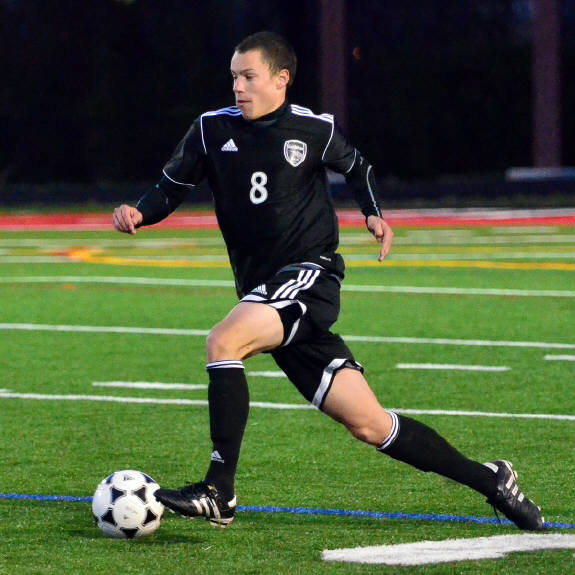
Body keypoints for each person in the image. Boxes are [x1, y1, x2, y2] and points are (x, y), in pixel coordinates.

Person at [113, 31, 543, 531]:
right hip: (267, 294)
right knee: (371, 424)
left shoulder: (313, 128)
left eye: (249, 76)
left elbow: (357, 167)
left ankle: (219, 490)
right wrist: (139, 212)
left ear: (281, 79)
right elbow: (170, 188)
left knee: (223, 341)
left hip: (308, 276)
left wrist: (373, 214)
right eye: (233, 77)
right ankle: (492, 480)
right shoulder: (211, 129)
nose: (238, 87)